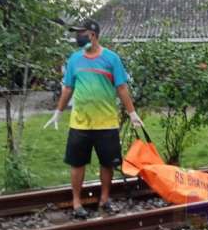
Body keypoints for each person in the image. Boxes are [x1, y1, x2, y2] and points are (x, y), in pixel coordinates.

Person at [43, 18, 143, 219]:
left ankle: (105, 199)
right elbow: (68, 88)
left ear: (93, 35)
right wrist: (58, 112)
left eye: (81, 33)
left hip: (106, 122)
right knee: (77, 163)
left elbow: (121, 88)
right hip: (80, 122)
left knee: (107, 163)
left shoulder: (111, 59)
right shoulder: (74, 60)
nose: (77, 37)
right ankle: (76, 202)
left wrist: (132, 114)